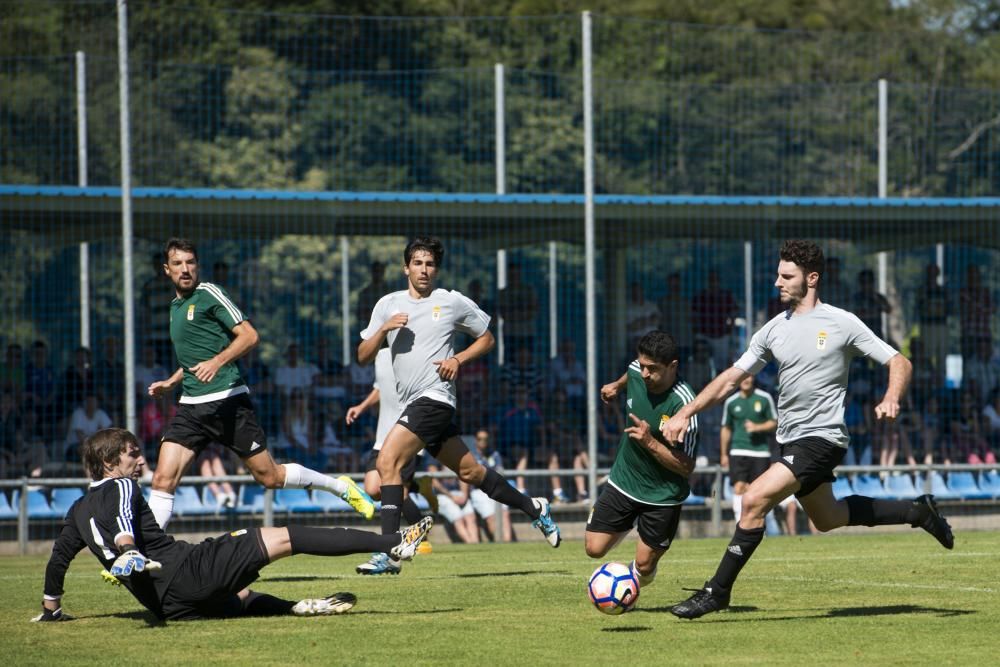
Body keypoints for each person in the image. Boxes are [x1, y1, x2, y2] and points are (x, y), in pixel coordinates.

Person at [663, 239, 954, 620]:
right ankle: (917, 511)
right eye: (778, 274)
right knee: (827, 518)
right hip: (790, 440)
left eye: (787, 276)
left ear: (811, 278)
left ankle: (716, 592)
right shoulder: (771, 330)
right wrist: (687, 411)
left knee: (753, 501)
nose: (777, 282)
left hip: (822, 439)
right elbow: (731, 378)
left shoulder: (841, 322)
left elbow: (900, 361)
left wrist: (891, 397)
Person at [32, 428, 432, 623]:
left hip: (167, 607)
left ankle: (298, 606)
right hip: (185, 570)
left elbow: (57, 562)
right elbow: (122, 521)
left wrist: (51, 608)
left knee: (239, 596)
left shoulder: (77, 511)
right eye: (132, 454)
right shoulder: (120, 485)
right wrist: (127, 549)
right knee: (283, 537)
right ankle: (395, 541)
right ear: (109, 464)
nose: (140, 461)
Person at [358, 236, 560, 574]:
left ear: (437, 270)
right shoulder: (387, 304)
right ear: (406, 267)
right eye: (418, 263)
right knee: (471, 472)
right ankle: (535, 507)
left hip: (436, 398)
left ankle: (388, 551)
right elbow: (362, 356)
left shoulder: (450, 302)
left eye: (430, 264)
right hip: (414, 403)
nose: (424, 269)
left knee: (387, 462)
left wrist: (459, 359)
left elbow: (487, 339)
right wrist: (383, 330)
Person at [146, 238, 374, 529]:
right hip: (191, 407)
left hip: (227, 401)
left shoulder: (209, 293)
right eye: (178, 263)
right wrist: (171, 382)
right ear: (167, 270)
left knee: (270, 477)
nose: (185, 269)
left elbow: (250, 336)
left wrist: (217, 363)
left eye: (190, 262)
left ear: (198, 265)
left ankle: (340, 487)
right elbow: (195, 359)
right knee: (163, 480)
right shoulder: (175, 307)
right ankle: (140, 556)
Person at [584, 330, 698, 596]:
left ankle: (632, 582)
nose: (645, 374)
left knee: (644, 567)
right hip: (625, 480)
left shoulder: (684, 406)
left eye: (653, 369)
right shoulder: (637, 369)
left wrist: (650, 442)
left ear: (673, 366)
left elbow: (686, 467)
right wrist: (616, 385)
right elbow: (632, 371)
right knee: (594, 548)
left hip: (663, 495)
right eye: (643, 366)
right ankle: (627, 525)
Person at [348, 347, 437, 574]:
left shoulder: (413, 352)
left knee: (392, 489)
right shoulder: (380, 355)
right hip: (381, 436)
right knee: (372, 488)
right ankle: (420, 487)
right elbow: (380, 387)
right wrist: (362, 406)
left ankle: (418, 537)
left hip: (405, 435)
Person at [720, 375, 779, 527]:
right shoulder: (731, 402)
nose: (746, 380)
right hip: (738, 451)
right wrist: (723, 454)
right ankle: (741, 526)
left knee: (756, 491)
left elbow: (774, 422)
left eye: (749, 376)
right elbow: (726, 429)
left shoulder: (764, 398)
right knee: (739, 487)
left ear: (753, 378)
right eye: (743, 377)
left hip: (760, 452)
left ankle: (759, 526)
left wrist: (757, 427)